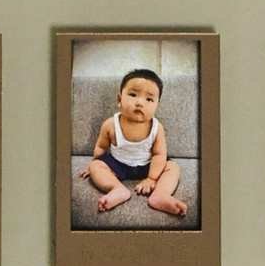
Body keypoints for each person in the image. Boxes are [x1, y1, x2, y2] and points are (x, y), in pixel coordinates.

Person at [78, 67, 187, 218]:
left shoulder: (157, 128)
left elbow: (159, 154)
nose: (140, 103)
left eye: (149, 99)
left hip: (148, 166)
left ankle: (161, 194)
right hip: (118, 164)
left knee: (172, 167)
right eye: (133, 95)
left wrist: (152, 178)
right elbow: (101, 147)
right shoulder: (110, 124)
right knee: (96, 165)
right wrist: (94, 164)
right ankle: (117, 189)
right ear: (119, 99)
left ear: (156, 105)